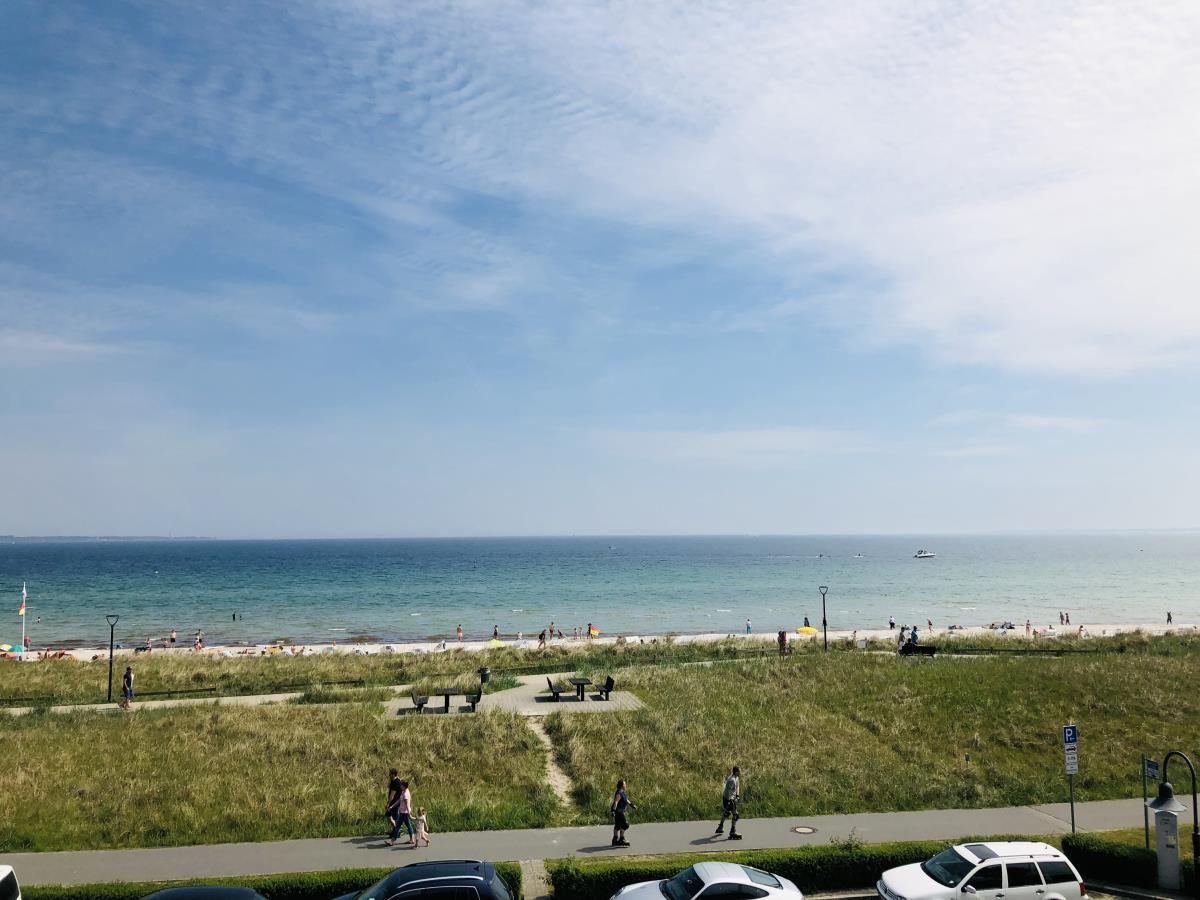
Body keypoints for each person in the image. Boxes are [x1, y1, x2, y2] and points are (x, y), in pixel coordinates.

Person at [715, 766, 742, 839]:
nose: (740, 772)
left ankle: (720, 827)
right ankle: (732, 832)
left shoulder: (736, 778)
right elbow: (727, 792)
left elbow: (737, 787)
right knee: (735, 815)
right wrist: (730, 801)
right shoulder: (731, 780)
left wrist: (737, 796)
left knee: (726, 813)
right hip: (728, 798)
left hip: (731, 798)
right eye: (739, 771)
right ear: (736, 772)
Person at [386, 779, 414, 845]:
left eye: (401, 785)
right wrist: (392, 806)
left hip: (404, 813)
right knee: (408, 826)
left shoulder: (406, 794)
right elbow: (399, 800)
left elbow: (407, 804)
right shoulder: (403, 791)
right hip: (403, 812)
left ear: (404, 786)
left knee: (397, 826)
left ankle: (392, 841)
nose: (400, 786)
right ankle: (412, 839)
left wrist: (409, 813)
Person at [611, 778, 636, 847]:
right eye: (625, 784)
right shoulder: (619, 793)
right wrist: (613, 811)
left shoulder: (622, 792)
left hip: (618, 811)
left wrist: (631, 805)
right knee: (625, 825)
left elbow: (626, 799)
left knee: (618, 825)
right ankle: (621, 839)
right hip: (619, 812)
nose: (626, 785)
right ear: (622, 785)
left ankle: (615, 840)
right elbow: (616, 802)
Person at [384, 768, 403, 834]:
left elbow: (392, 795)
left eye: (390, 774)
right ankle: (396, 829)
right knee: (394, 816)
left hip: (394, 802)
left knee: (389, 815)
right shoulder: (396, 780)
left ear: (393, 774)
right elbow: (389, 786)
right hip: (397, 801)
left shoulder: (395, 782)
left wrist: (388, 803)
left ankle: (397, 829)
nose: (389, 775)